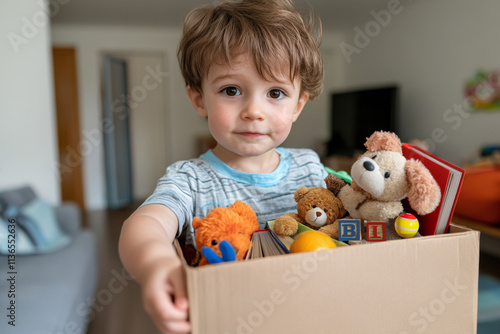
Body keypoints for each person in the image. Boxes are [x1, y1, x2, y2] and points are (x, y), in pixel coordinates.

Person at [119, 0, 325, 333]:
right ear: (200, 99)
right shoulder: (190, 179)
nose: (253, 111)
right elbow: (144, 226)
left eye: (275, 92)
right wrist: (156, 264)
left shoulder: (310, 166)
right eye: (232, 90)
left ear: (298, 104)